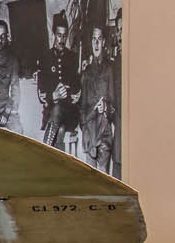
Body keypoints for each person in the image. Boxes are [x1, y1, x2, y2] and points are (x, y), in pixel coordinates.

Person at [38, 13, 82, 155]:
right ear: (53, 35)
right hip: (51, 112)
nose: (62, 39)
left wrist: (67, 94)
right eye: (59, 35)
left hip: (70, 113)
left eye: (64, 36)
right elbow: (41, 93)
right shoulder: (45, 58)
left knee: (59, 112)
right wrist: (54, 95)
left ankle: (44, 151)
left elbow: (77, 90)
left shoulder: (73, 58)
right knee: (59, 127)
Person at [80, 23, 119, 176]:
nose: (96, 43)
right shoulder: (86, 73)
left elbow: (114, 105)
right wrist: (85, 126)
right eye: (93, 39)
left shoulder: (110, 69)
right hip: (90, 133)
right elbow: (82, 108)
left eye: (99, 39)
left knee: (102, 177)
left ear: (104, 42)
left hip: (104, 131)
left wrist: (106, 109)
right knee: (90, 180)